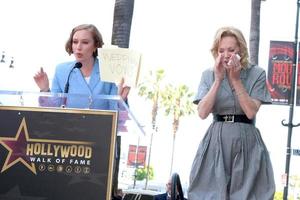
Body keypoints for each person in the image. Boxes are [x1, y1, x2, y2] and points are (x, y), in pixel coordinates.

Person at [188, 26, 275, 200]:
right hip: (216, 139)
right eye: (221, 50)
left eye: (231, 49)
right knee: (210, 193)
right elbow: (203, 112)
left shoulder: (257, 73)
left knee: (248, 194)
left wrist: (235, 80)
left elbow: (251, 112)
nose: (226, 54)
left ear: (241, 50)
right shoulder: (208, 75)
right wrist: (218, 80)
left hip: (247, 139)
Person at [33, 24, 130, 102]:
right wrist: (44, 90)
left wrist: (121, 101)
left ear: (95, 45)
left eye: (85, 42)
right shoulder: (61, 70)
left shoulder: (109, 70)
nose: (78, 47)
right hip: (69, 126)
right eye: (75, 42)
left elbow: (117, 113)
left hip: (101, 126)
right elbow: (54, 110)